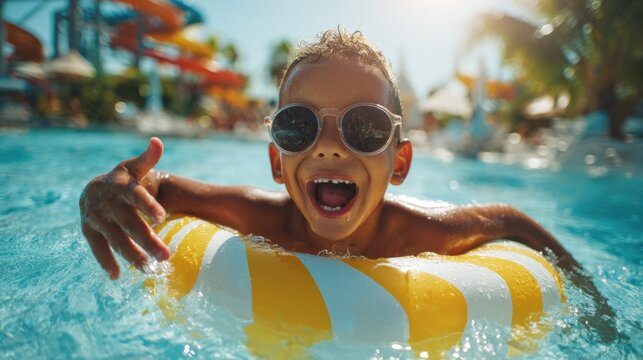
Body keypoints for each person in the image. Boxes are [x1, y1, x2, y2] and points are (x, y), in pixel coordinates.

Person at [79, 29, 617, 341]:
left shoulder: (415, 235)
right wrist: (105, 187)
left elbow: (507, 222)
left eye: (364, 127)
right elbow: (162, 190)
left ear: (399, 164)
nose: (329, 147)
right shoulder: (266, 217)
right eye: (299, 125)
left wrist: (594, 300)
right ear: (276, 160)